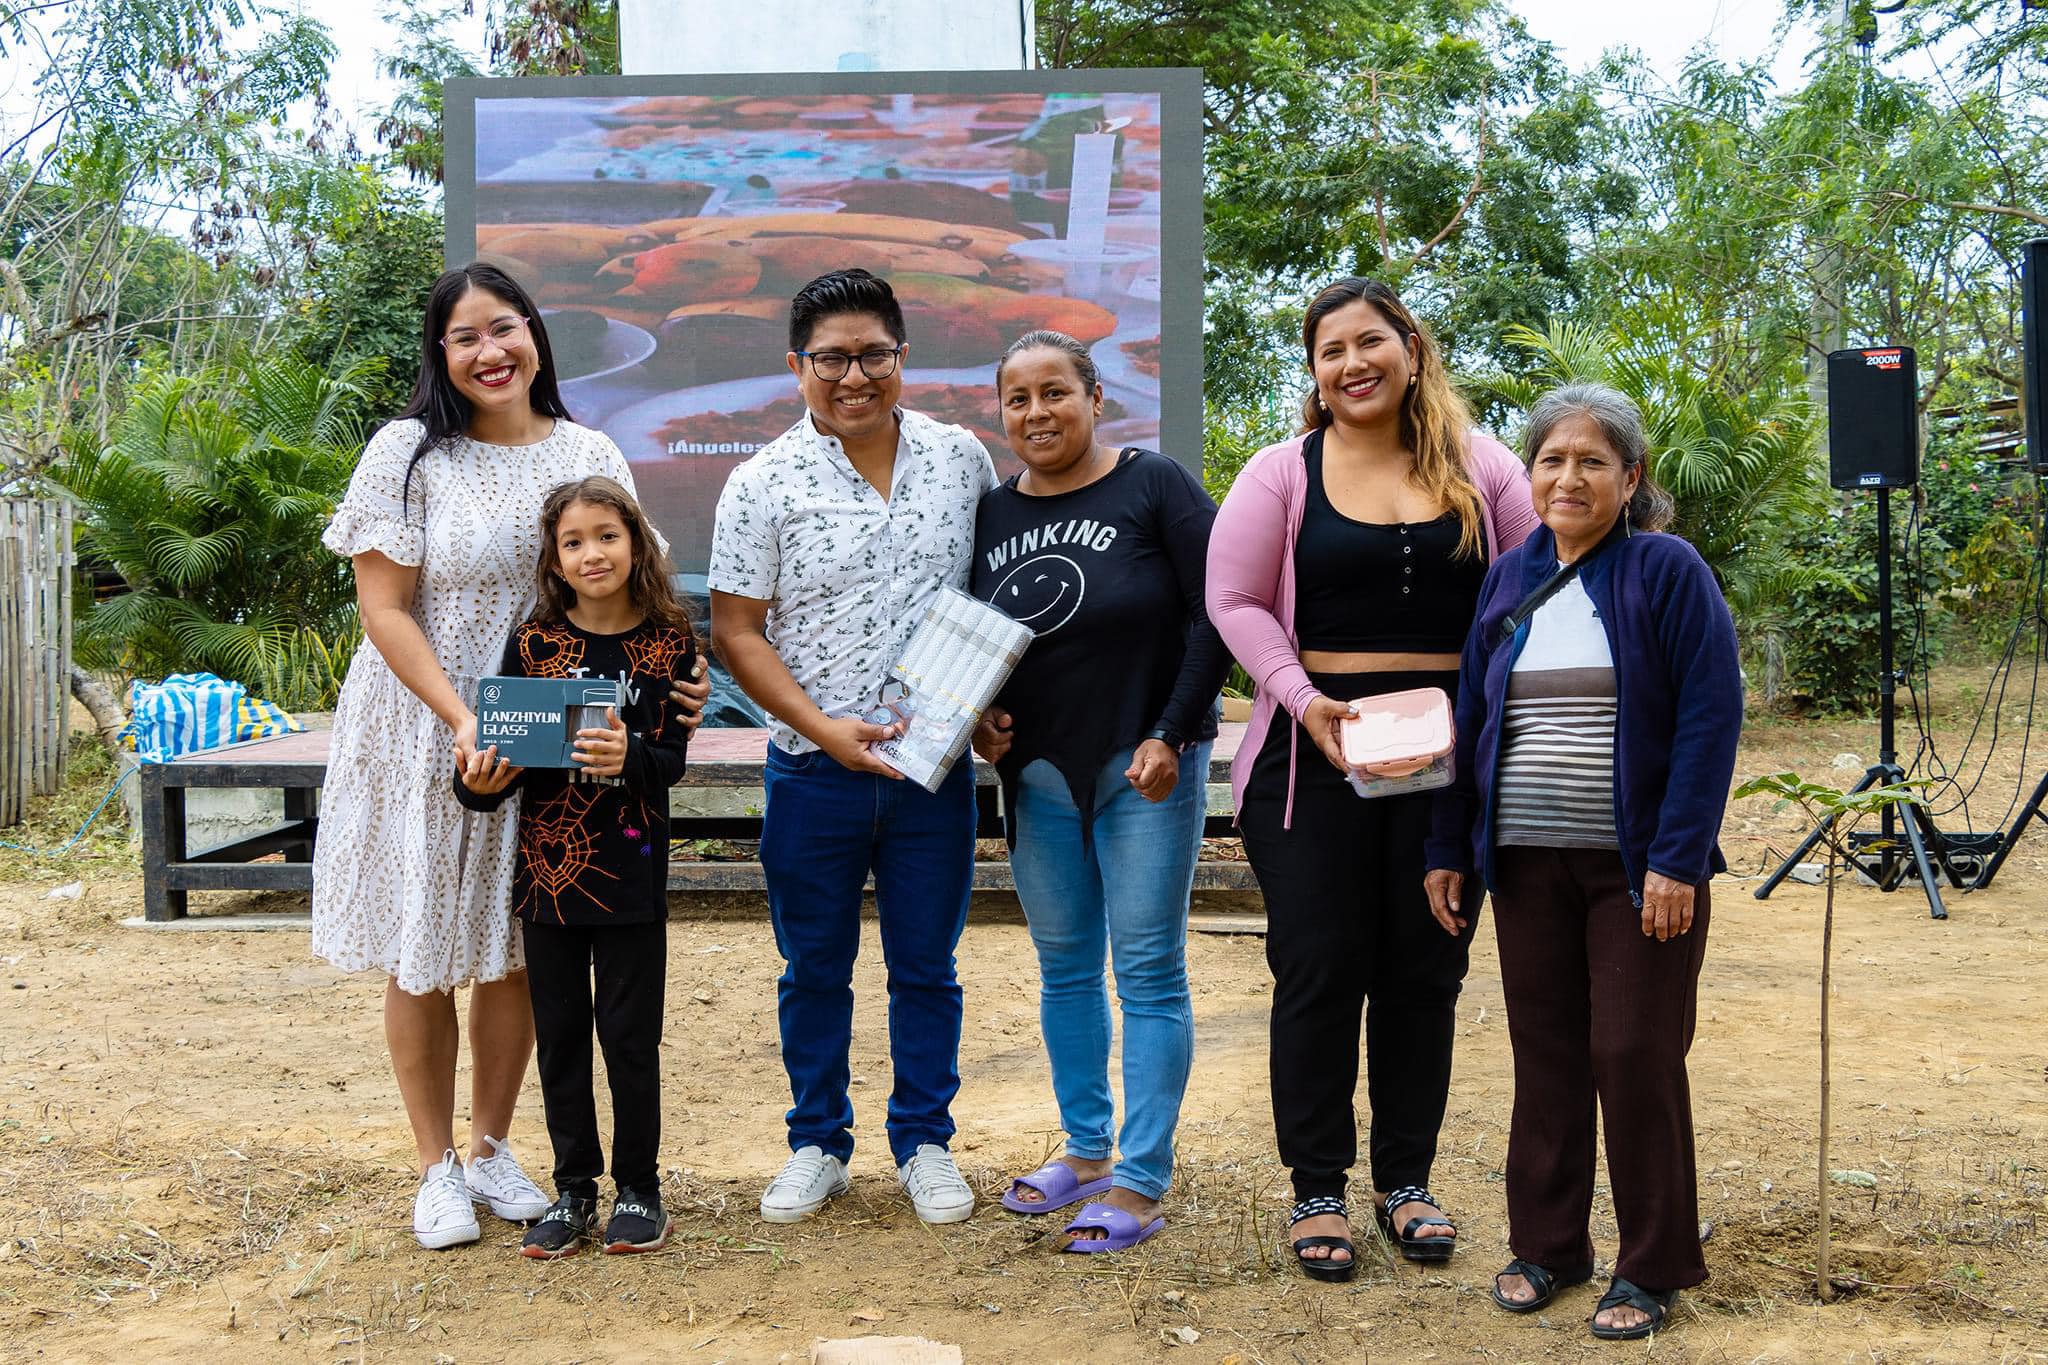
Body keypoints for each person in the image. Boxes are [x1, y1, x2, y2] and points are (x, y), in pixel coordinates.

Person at [313, 262, 709, 1251]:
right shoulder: (409, 454)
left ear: (535, 333)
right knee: (423, 948)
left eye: (505, 327)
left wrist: (678, 680)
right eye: (465, 337)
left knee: (516, 945)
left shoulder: (588, 450)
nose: (489, 351)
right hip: (424, 723)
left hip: (551, 738)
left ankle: (491, 1148)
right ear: (440, 354)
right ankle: (435, 1167)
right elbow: (383, 608)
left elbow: (637, 588)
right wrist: (460, 718)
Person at [1205, 277, 1539, 1280]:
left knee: (1424, 971)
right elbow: (1233, 599)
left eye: (1369, 341)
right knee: (1317, 965)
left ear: (1411, 348)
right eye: (1330, 351)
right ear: (1314, 373)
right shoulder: (1281, 472)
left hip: (1447, 761)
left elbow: (1541, 578)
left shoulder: (1484, 467)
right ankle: (1316, 1186)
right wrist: (1302, 699)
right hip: (1312, 757)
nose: (1351, 363)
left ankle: (1405, 1181)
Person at [1423, 383, 1741, 1340]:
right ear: (1529, 473)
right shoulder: (1509, 576)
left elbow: (1710, 716)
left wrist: (1677, 859)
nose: (1569, 477)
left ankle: (1652, 1265)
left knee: (1635, 1054)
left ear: (1630, 478)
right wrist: (1448, 845)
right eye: (1552, 459)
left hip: (1639, 870)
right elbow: (1471, 714)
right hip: (1526, 863)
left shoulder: (1665, 570)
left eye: (1592, 461)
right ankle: (1549, 1246)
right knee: (1548, 1054)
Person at [707, 268, 996, 1227]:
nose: (854, 376)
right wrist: (823, 728)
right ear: (798, 366)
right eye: (831, 359)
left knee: (928, 967)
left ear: (902, 356)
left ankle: (924, 1142)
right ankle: (818, 1143)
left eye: (873, 354)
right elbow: (738, 628)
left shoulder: (960, 458)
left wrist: (993, 703)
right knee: (813, 969)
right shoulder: (761, 482)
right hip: (810, 769)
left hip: (931, 773)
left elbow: (988, 601)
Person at [967, 332, 1230, 1253]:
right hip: (1037, 776)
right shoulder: (991, 513)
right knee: (1066, 967)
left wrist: (1172, 730)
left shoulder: (1155, 486)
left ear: (1096, 397)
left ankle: (1142, 1177)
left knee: (1149, 969)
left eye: (1055, 392)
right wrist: (979, 718)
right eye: (1018, 398)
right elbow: (973, 640)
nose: (1037, 413)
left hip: (1145, 766)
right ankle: (1085, 1151)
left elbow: (1217, 613)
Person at [454, 476, 697, 1259]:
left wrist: (632, 755)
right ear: (554, 560)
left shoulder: (669, 641)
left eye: (607, 535)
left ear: (636, 543)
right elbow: (502, 766)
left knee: (630, 1038)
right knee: (560, 1037)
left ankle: (640, 1188)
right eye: (573, 541)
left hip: (631, 874)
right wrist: (476, 782)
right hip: (547, 879)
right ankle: (573, 1190)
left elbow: (670, 761)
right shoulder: (533, 643)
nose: (592, 553)